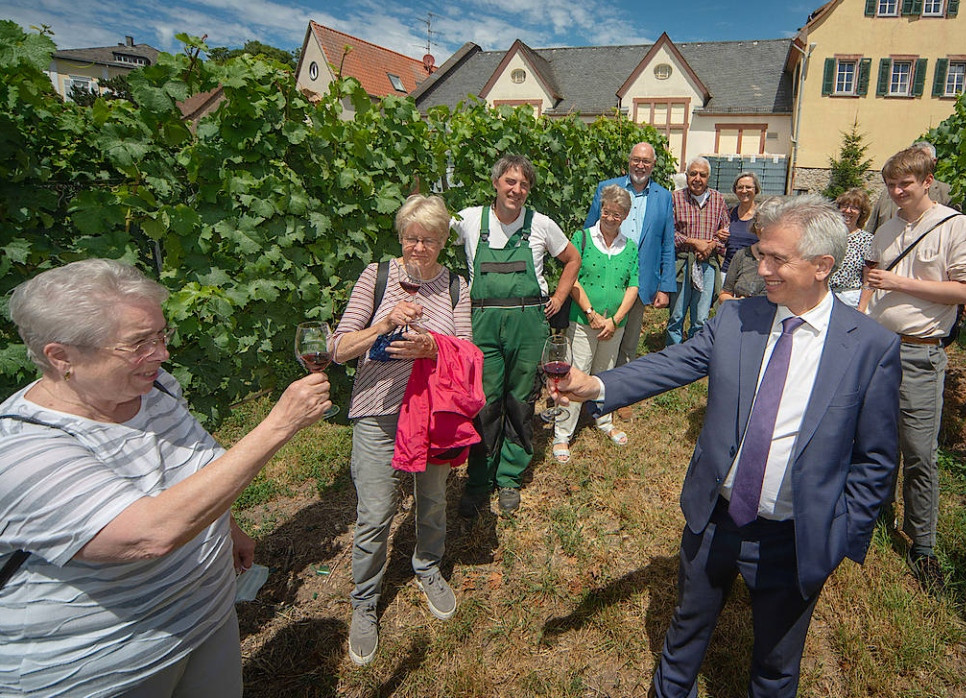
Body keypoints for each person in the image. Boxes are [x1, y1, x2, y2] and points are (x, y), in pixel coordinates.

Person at [554, 195, 901, 698]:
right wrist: (596, 386)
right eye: (761, 254)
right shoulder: (738, 318)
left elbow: (876, 459)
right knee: (683, 637)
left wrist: (839, 536)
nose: (762, 269)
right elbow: (672, 364)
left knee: (776, 664)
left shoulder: (870, 346)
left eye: (777, 259)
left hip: (795, 537)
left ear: (823, 266)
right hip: (714, 520)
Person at [0, 259, 329, 697]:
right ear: (62, 357)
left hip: (207, 620)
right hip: (105, 668)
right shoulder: (20, 450)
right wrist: (279, 425)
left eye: (161, 335)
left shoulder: (154, 387)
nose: (161, 354)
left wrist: (227, 527)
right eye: (139, 343)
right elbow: (149, 535)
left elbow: (191, 465)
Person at [329, 194, 473, 665]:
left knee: (432, 501)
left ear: (444, 241)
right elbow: (338, 348)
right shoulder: (377, 277)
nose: (419, 249)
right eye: (411, 238)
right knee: (375, 512)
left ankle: (427, 567)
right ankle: (364, 601)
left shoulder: (456, 286)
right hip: (378, 412)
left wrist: (433, 347)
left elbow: (469, 351)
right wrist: (384, 324)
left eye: (429, 240)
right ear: (400, 237)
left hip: (433, 414)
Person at [860, 146, 966, 592]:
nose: (897, 192)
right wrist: (861, 316)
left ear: (927, 181)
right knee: (876, 442)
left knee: (918, 452)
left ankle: (923, 546)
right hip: (878, 351)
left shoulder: (956, 226)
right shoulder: (887, 228)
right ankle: (878, 514)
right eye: (891, 185)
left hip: (920, 353)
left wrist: (898, 282)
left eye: (906, 184)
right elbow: (872, 278)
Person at [451, 154, 581, 516]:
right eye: (510, 181)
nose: (517, 189)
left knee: (520, 400)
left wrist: (559, 297)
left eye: (524, 184)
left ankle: (509, 476)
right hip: (482, 322)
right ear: (495, 183)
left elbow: (572, 259)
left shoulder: (541, 224)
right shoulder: (469, 219)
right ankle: (479, 479)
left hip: (528, 323)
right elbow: (430, 227)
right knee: (484, 401)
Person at [553, 184, 640, 463]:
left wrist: (615, 320)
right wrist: (591, 313)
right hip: (583, 321)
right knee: (575, 373)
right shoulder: (582, 239)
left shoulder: (630, 246)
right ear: (600, 209)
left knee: (606, 372)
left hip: (614, 325)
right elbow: (572, 279)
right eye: (607, 212)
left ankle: (604, 420)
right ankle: (562, 434)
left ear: (625, 216)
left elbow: (633, 286)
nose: (611, 218)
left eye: (617, 214)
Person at [584, 142, 677, 369]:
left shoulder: (664, 197)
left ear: (653, 164)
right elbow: (589, 231)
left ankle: (619, 385)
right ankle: (592, 383)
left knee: (628, 345)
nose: (640, 165)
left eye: (646, 161)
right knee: (597, 337)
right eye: (636, 160)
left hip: (639, 283)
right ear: (629, 161)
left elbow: (667, 243)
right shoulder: (607, 188)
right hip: (604, 277)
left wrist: (665, 287)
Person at [667, 157, 730, 345]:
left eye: (702, 175)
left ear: (708, 177)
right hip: (682, 263)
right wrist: (694, 242)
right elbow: (668, 232)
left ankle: (694, 354)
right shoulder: (676, 198)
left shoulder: (718, 199)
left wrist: (711, 245)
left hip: (707, 265)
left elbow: (725, 231)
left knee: (701, 317)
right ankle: (672, 355)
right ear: (686, 175)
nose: (697, 178)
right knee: (676, 315)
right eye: (693, 173)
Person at [866, 141, 954, 232]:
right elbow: (872, 227)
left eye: (905, 183)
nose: (897, 191)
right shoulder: (887, 194)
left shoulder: (946, 196)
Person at [716, 198, 773, 302]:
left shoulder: (788, 259)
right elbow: (724, 294)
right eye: (759, 224)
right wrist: (738, 302)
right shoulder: (742, 255)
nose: (762, 229)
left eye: (768, 224)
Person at [829, 187, 874, 308]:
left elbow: (868, 280)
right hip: (826, 297)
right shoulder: (828, 236)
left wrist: (862, 308)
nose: (848, 210)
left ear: (861, 213)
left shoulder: (867, 240)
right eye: (844, 206)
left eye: (855, 207)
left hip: (851, 300)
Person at [722, 171, 761, 272]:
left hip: (751, 272)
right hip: (727, 270)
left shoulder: (761, 216)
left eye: (748, 187)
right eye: (740, 187)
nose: (744, 191)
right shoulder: (729, 213)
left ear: (756, 189)